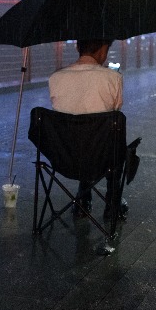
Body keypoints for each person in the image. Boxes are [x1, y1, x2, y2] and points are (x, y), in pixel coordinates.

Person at [49, 38, 127, 221]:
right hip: (101, 157)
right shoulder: (113, 78)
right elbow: (116, 111)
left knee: (81, 134)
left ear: (77, 47)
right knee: (113, 130)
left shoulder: (55, 78)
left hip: (64, 157)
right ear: (103, 50)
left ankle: (83, 199)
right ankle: (112, 203)